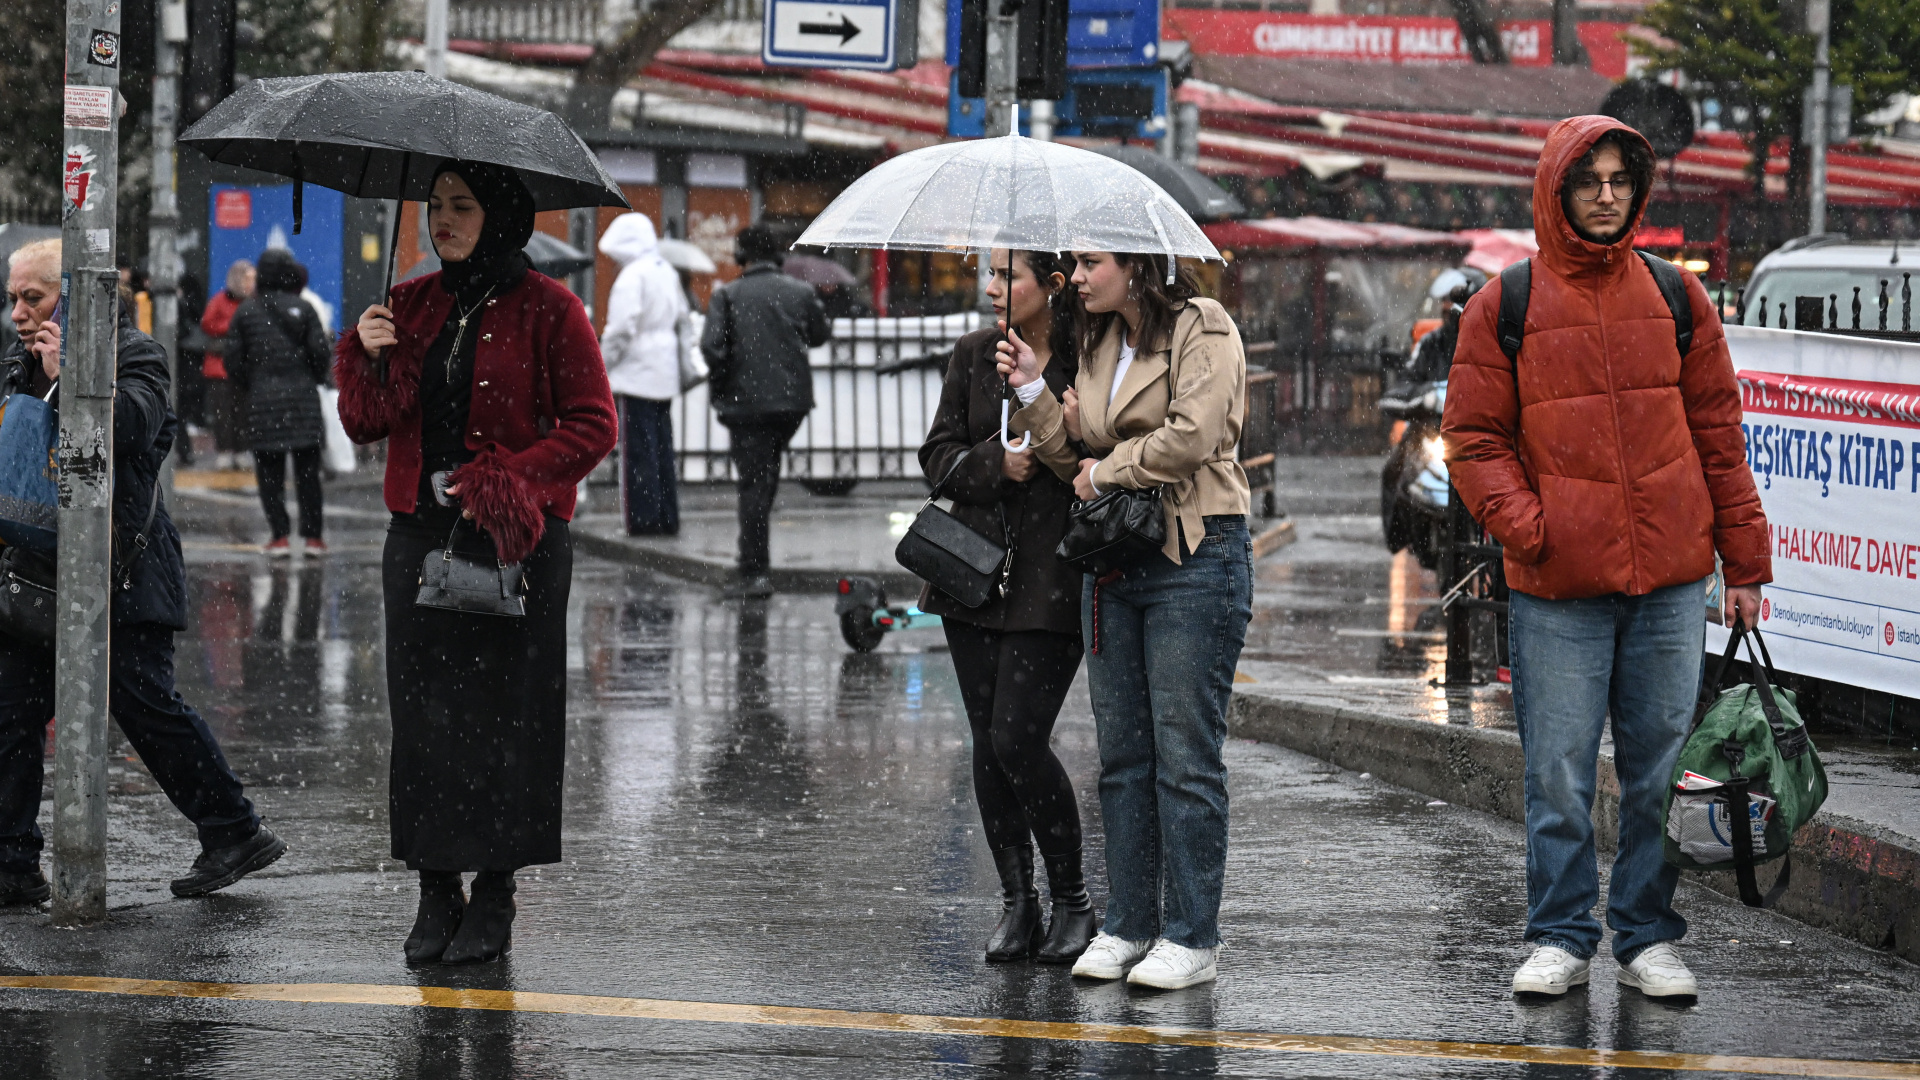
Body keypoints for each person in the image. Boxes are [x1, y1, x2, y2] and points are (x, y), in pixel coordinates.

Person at [1442, 117, 1770, 1000]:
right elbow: (1472, 441)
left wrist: (1744, 564)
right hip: (1557, 588)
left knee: (1658, 767)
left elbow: (1718, 432)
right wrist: (1530, 527)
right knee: (1557, 769)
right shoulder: (1502, 304)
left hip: (1667, 581)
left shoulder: (1675, 295)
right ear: (1558, 188)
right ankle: (1558, 935)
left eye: (1622, 180)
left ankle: (1645, 936)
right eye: (1590, 180)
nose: (1607, 194)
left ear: (1639, 188)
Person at [338, 162, 617, 964]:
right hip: (419, 540)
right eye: (434, 207)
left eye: (461, 207)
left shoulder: (552, 310)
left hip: (516, 543)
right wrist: (366, 355)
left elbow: (594, 426)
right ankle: (435, 888)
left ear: (501, 217)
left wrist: (509, 478)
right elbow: (367, 423)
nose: (442, 222)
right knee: (425, 723)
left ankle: (496, 889)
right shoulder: (411, 304)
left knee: (509, 722)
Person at [0, 238, 285, 908]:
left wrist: (72, 373)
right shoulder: (20, 356)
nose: (17, 312)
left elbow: (129, 430)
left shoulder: (135, 353)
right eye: (12, 298)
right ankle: (11, 864)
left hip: (120, 570)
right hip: (37, 571)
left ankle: (234, 830)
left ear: (72, 297)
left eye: (32, 297)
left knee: (148, 708)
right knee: (11, 713)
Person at [1002, 251, 1253, 990]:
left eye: (1090, 262)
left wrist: (1105, 468)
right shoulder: (1097, 339)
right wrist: (1031, 390)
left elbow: (1192, 436)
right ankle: (1129, 922)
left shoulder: (1202, 327)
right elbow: (1068, 458)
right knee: (1123, 759)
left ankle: (1192, 935)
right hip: (1115, 558)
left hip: (1195, 555)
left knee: (1185, 758)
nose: (1074, 277)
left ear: (1138, 263)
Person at [920, 249, 1096, 964]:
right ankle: (1017, 902)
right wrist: (998, 463)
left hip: (1050, 578)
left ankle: (1074, 900)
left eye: (1007, 276)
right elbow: (936, 458)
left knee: (1018, 738)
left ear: (1052, 286)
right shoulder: (972, 355)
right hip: (971, 576)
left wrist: (1051, 431)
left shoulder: (1088, 355)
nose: (992, 288)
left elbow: (1097, 450)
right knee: (989, 742)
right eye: (988, 275)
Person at [699, 224, 830, 599]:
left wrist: (726, 383)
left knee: (754, 483)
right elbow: (820, 335)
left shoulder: (728, 295)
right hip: (790, 403)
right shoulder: (801, 292)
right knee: (764, 478)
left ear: (742, 257)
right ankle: (753, 564)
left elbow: (712, 348)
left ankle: (754, 571)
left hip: (746, 406)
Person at [226, 249, 333, 557]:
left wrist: (256, 383)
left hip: (263, 404)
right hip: (303, 403)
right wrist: (306, 376)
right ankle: (313, 538)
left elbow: (233, 361)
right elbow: (320, 354)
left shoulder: (246, 312)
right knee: (308, 474)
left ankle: (280, 537)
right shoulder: (304, 308)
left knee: (269, 474)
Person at [598, 212, 689, 536]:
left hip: (636, 374)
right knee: (662, 450)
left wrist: (601, 368)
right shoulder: (665, 271)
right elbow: (682, 317)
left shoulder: (631, 277)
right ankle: (666, 517)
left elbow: (621, 329)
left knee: (638, 453)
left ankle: (642, 520)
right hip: (663, 373)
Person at [201, 260, 255, 470]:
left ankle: (241, 450)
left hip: (243, 368)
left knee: (242, 412)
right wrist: (233, 326)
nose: (251, 284)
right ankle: (225, 450)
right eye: (248, 279)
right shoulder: (220, 301)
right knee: (223, 413)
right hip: (219, 368)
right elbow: (207, 323)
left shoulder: (252, 302)